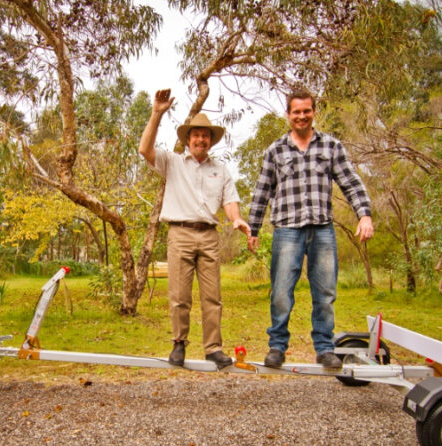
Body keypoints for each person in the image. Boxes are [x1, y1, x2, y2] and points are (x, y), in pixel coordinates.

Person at [247, 87, 373, 369]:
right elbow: (262, 191)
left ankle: (325, 347)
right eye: (296, 112)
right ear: (288, 115)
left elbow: (351, 182)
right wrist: (253, 229)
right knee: (280, 291)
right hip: (287, 230)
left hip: (322, 230)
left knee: (325, 293)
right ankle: (277, 347)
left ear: (314, 112)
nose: (301, 116)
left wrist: (364, 215)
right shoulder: (275, 150)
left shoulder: (330, 146)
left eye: (306, 111)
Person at [139, 88, 250, 369]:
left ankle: (213, 348)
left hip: (209, 236)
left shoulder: (221, 170)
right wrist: (156, 114)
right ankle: (179, 344)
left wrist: (236, 219)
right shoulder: (173, 162)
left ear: (211, 140)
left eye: (205, 135)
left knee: (213, 296)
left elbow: (230, 200)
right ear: (188, 140)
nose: (201, 139)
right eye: (196, 135)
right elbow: (145, 150)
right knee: (180, 295)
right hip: (180, 234)